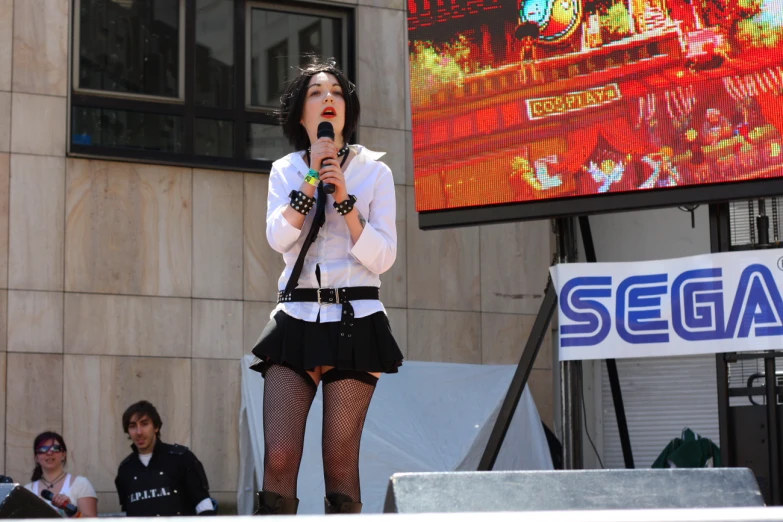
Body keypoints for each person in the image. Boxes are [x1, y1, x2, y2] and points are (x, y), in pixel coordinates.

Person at [248, 59, 404, 515]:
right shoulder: (285, 170)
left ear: (346, 110)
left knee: (339, 460)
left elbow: (383, 257)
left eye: (335, 91)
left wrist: (345, 201)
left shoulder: (374, 172)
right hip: (296, 318)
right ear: (302, 114)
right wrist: (313, 179)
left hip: (356, 320)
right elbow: (279, 238)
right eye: (316, 92)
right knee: (278, 455)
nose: (328, 98)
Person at [114, 401, 216, 517]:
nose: (139, 432)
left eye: (144, 424)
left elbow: (203, 502)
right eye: (132, 426)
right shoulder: (125, 469)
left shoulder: (182, 458)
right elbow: (128, 511)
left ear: (156, 427)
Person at [24, 431, 98, 517]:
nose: (49, 453)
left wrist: (71, 510)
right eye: (42, 450)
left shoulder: (81, 484)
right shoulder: (27, 490)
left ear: (64, 454)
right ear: (36, 457)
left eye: (55, 449)